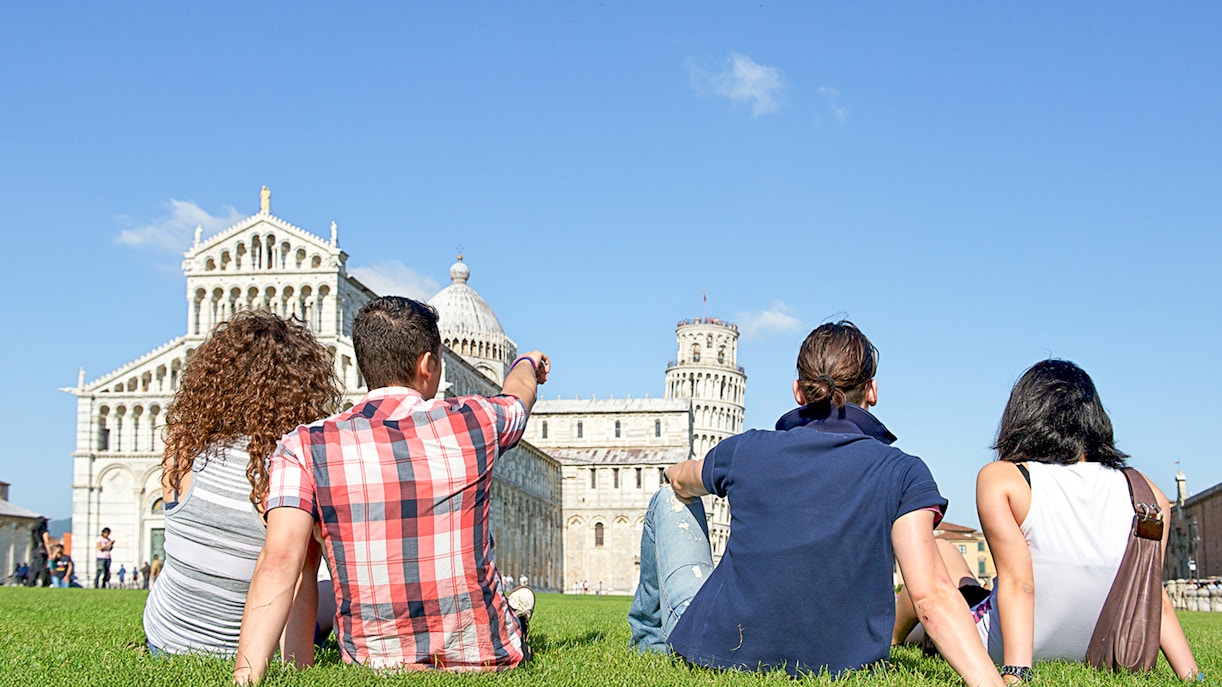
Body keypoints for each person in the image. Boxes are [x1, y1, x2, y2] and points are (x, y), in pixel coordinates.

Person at [628, 321, 1003, 685]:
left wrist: (679, 473)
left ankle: (649, 637)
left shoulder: (747, 449)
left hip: (721, 648)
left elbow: (681, 479)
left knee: (668, 496)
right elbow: (930, 593)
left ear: (798, 390)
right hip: (846, 662)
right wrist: (989, 682)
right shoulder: (904, 472)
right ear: (871, 390)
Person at [235, 296, 548, 682]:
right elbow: (519, 396)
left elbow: (282, 558)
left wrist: (246, 675)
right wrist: (526, 363)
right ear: (427, 365)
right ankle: (513, 618)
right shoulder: (476, 420)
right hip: (486, 656)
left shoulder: (303, 446)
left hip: (375, 662)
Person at [893, 360, 1200, 683]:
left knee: (940, 552)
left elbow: (1019, 584)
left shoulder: (1005, 479)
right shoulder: (1148, 492)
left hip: (1003, 642)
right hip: (1104, 643)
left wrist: (1015, 673)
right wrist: (1193, 676)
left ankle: (894, 638)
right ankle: (934, 618)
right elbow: (1153, 595)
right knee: (964, 581)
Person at [142, 310, 341, 658]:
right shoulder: (288, 467)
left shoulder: (181, 448)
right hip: (249, 646)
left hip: (165, 640)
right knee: (326, 588)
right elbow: (299, 579)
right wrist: (297, 666)